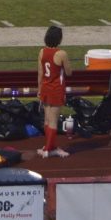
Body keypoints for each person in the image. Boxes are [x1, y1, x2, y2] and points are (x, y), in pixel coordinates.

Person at [37, 25, 73, 159]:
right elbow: (69, 72)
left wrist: (39, 89)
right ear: (59, 39)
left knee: (47, 119)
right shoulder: (61, 54)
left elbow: (40, 73)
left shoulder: (41, 52)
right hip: (56, 89)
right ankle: (48, 149)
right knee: (53, 121)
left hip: (45, 88)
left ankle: (49, 145)